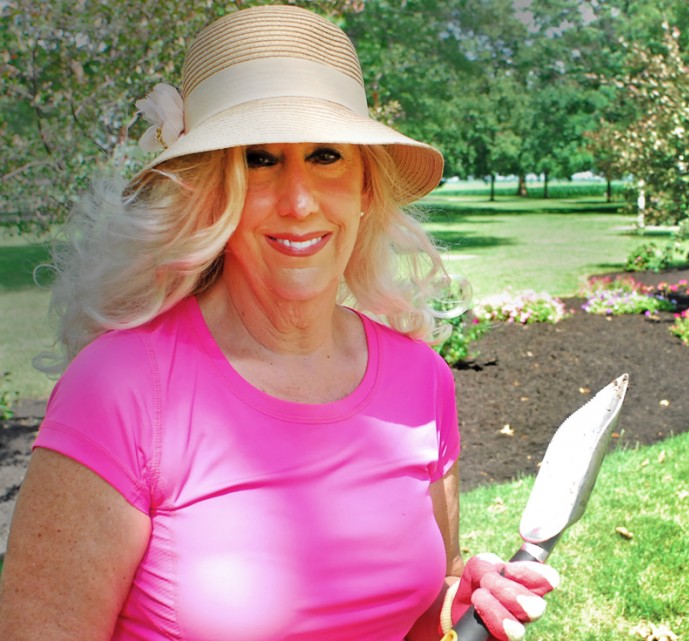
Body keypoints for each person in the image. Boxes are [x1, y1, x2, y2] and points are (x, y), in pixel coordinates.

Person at [0, 6, 559, 641]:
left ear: (365, 187)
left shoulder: (421, 380)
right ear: (207, 193)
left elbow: (413, 622)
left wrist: (462, 599)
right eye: (260, 160)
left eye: (325, 156)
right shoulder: (122, 388)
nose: (298, 201)